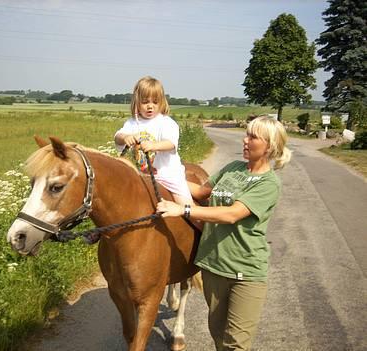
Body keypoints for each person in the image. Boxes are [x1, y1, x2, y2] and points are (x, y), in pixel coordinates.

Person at [156, 116, 292, 351]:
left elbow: (232, 214)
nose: (245, 140)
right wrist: (163, 176)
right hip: (214, 268)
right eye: (246, 134)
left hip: (245, 273)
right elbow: (200, 191)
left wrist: (183, 209)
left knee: (235, 345)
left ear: (268, 146)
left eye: (252, 136)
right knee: (219, 337)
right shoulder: (232, 168)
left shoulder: (268, 183)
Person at [114, 76, 192, 205]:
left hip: (167, 175)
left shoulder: (166, 122)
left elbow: (171, 144)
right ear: (137, 102)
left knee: (186, 207)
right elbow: (118, 136)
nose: (150, 106)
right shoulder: (132, 123)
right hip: (140, 176)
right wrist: (125, 137)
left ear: (161, 102)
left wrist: (154, 145)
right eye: (145, 102)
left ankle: (201, 222)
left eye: (155, 102)